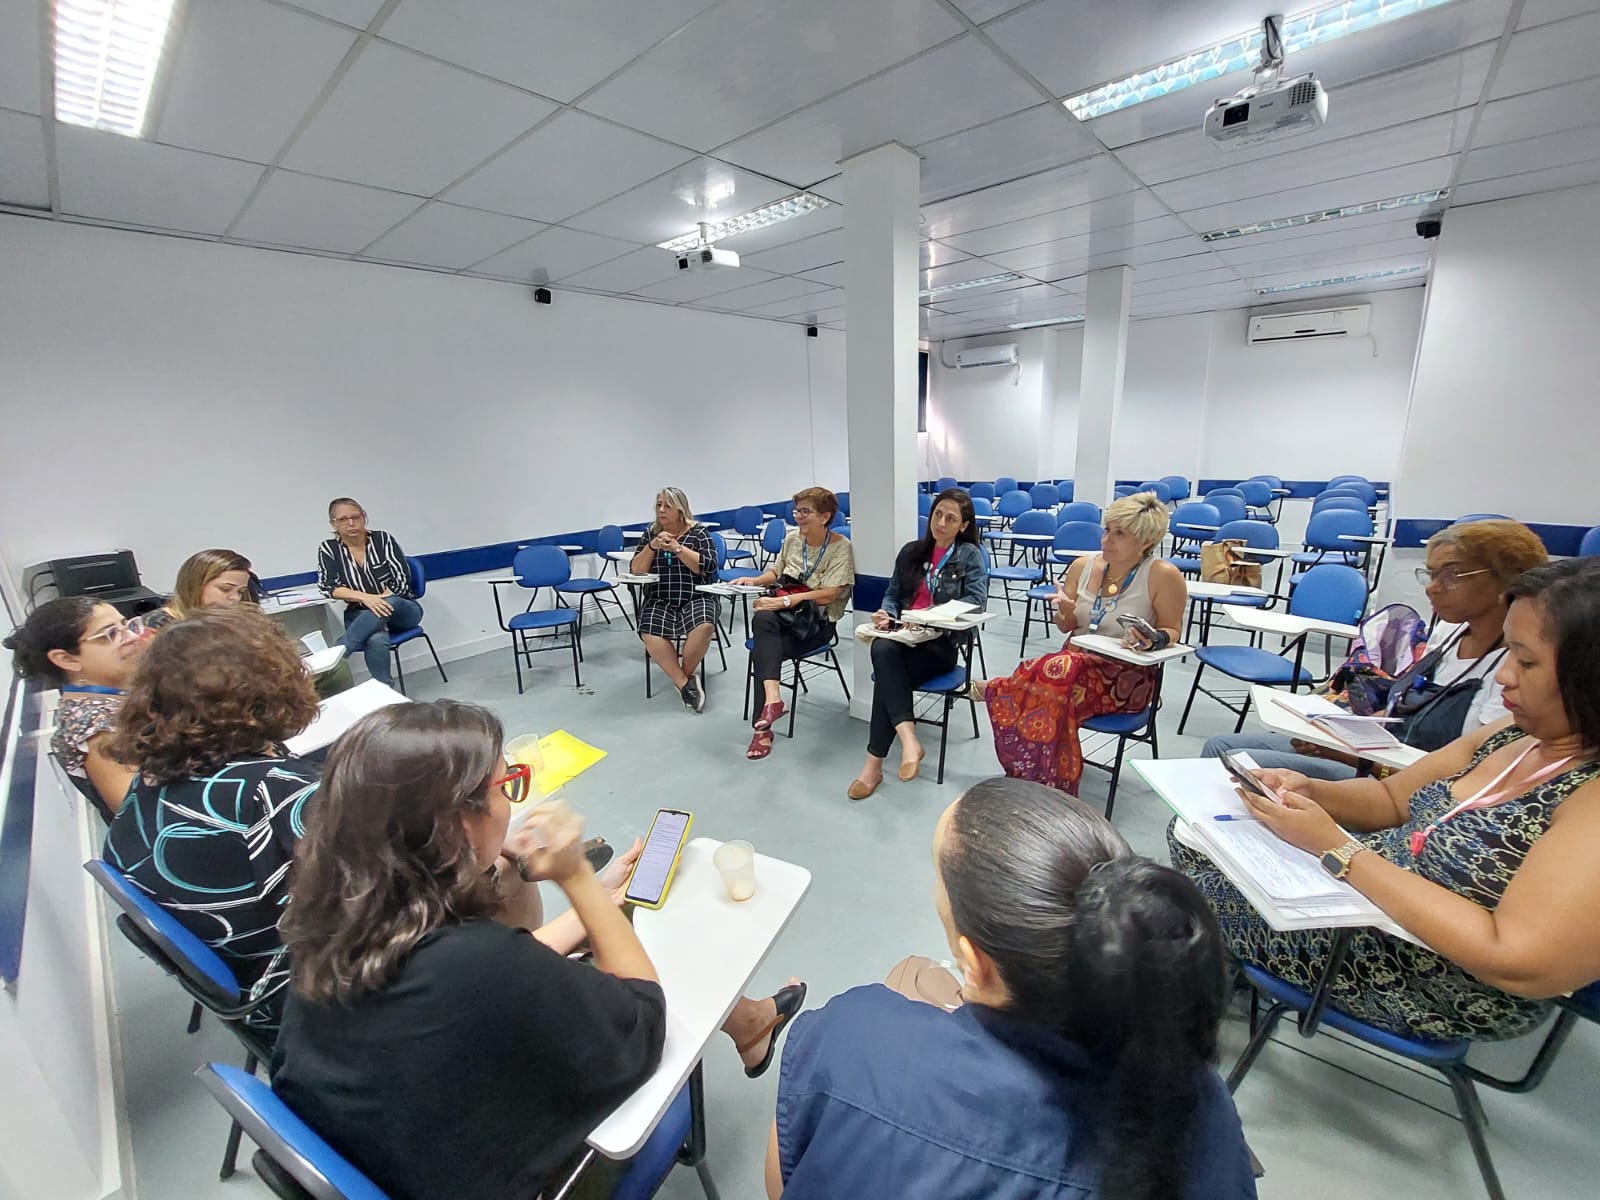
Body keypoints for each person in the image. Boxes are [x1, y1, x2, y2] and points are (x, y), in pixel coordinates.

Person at [272, 701, 807, 1200]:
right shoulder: (481, 962)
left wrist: (599, 899)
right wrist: (576, 876)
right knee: (655, 974)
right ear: (459, 821)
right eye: (509, 787)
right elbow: (644, 1018)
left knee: (601, 952)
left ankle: (752, 1023)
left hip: (395, 1153)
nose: (515, 806)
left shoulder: (331, 917)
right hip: (534, 1179)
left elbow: (497, 966)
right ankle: (753, 1024)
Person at [769, 777, 1256, 1200]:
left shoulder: (850, 1040)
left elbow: (782, 1183)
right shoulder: (1201, 1110)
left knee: (911, 974)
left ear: (975, 965)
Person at [1175, 558, 1600, 1041]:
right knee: (1202, 829)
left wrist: (1336, 850)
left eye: (1525, 661)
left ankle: (1199, 994)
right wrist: (1313, 790)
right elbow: (1391, 798)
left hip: (1425, 971)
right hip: (1366, 900)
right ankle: (1216, 971)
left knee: (1180, 894)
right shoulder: (1513, 737)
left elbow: (1517, 961)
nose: (1503, 676)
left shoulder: (1589, 798)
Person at [102, 605, 323, 1036]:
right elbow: (384, 905)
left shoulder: (154, 779)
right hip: (309, 993)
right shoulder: (275, 790)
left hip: (250, 978)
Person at [1202, 519, 1547, 779]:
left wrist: (1347, 755)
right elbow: (1408, 707)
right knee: (1220, 745)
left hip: (1404, 781)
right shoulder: (1450, 633)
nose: (1433, 589)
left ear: (1508, 579)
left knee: (1231, 762)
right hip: (1376, 751)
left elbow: (1464, 775)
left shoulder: (1514, 672)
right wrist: (1337, 730)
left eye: (1452, 575)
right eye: (1431, 575)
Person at [970, 491, 1186, 795]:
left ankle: (999, 692)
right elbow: (1066, 628)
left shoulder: (1163, 576)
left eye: (1120, 534)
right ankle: (1044, 780)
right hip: (1072, 666)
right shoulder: (1082, 566)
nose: (1107, 539)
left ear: (1145, 542)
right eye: (1107, 529)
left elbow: (1172, 629)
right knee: (1054, 681)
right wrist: (1066, 612)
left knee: (1048, 676)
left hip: (1126, 673)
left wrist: (1155, 638)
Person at [849, 488, 988, 800]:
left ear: (963, 526)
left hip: (940, 646)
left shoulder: (970, 556)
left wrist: (927, 616)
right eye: (938, 514)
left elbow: (975, 603)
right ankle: (908, 739)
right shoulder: (912, 551)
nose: (940, 522)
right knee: (882, 648)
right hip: (904, 638)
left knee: (887, 674)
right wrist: (888, 613)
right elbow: (894, 592)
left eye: (950, 518)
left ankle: (873, 766)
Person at [740, 487, 855, 760]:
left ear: (825, 516)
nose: (798, 517)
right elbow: (775, 571)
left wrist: (783, 602)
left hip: (816, 626)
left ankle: (764, 727)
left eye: (805, 512)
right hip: (786, 621)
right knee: (764, 622)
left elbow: (830, 594)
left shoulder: (841, 547)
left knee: (765, 647)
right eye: (797, 511)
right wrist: (754, 581)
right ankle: (772, 703)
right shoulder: (793, 540)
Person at [4, 598, 145, 817]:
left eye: (126, 625)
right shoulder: (93, 724)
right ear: (67, 659)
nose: (134, 637)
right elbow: (138, 810)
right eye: (111, 634)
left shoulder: (118, 695)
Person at [629, 487, 720, 713]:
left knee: (705, 625)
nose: (661, 510)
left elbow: (707, 567)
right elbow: (636, 569)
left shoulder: (699, 533)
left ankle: (684, 678)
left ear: (680, 509)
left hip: (696, 595)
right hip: (661, 598)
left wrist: (678, 548)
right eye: (658, 505)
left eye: (667, 505)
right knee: (648, 629)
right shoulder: (651, 534)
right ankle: (684, 683)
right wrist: (653, 546)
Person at [317, 497, 420, 687]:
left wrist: (377, 602)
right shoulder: (329, 549)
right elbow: (328, 587)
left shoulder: (383, 540)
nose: (351, 523)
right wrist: (367, 598)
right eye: (343, 519)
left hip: (402, 611)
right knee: (376, 638)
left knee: (392, 601)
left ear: (364, 517)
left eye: (355, 517)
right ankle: (385, 692)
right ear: (333, 523)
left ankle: (341, 650)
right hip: (360, 614)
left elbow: (402, 582)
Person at [144, 547, 255, 630]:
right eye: (225, 589)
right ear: (195, 585)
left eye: (240, 591)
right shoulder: (157, 624)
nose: (235, 598)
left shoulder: (232, 622)